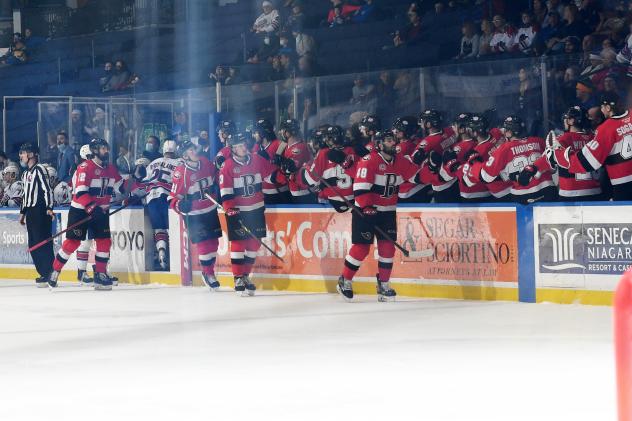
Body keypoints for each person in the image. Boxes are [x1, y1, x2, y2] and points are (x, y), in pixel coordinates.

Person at [337, 131, 421, 302]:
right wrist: (367, 206)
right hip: (365, 211)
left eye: (394, 140)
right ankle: (344, 280)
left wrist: (433, 168)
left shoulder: (401, 161)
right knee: (361, 248)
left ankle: (383, 284)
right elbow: (360, 188)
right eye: (389, 141)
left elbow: (417, 176)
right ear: (380, 145)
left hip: (388, 211)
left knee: (387, 249)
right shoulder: (369, 161)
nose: (394, 143)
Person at [48, 139, 126, 290]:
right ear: (95, 150)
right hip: (80, 211)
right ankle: (55, 270)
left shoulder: (111, 169)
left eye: (106, 148)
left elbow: (122, 187)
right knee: (72, 243)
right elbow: (81, 193)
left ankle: (100, 275)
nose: (106, 151)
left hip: (100, 211)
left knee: (104, 241)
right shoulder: (85, 167)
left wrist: (137, 182)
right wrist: (92, 208)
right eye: (103, 149)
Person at [218, 133, 276, 296]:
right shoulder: (227, 166)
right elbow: (226, 191)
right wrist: (230, 208)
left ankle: (245, 275)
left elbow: (271, 175)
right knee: (238, 243)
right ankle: (237, 277)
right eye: (239, 146)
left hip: (256, 209)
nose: (244, 148)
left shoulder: (257, 159)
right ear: (233, 149)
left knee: (254, 244)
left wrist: (282, 172)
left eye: (244, 144)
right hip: (238, 211)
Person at [546, 93, 632, 200]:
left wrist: (557, 155)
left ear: (608, 108)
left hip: (624, 187)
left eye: (602, 107)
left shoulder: (605, 129)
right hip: (599, 191)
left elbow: (585, 162)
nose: (601, 110)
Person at [466, 115, 556, 204]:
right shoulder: (539, 141)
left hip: (523, 196)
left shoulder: (505, 148)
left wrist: (475, 164)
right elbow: (553, 169)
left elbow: (486, 176)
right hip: (548, 190)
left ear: (509, 133)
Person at [169, 141, 222, 290]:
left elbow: (217, 176)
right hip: (195, 215)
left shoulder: (205, 162)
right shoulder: (181, 173)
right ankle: (208, 273)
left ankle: (208, 272)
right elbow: (172, 198)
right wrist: (179, 205)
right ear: (185, 155)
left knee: (214, 244)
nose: (196, 151)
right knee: (204, 244)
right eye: (191, 150)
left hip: (210, 209)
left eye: (195, 148)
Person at [519, 106, 602, 200]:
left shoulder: (563, 139)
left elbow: (548, 158)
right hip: (596, 193)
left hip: (571, 194)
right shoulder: (594, 138)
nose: (564, 121)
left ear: (571, 121)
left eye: (566, 119)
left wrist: (531, 169)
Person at [18, 143, 54, 288]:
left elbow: (47, 190)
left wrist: (49, 207)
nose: (21, 156)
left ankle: (49, 273)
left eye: (23, 153)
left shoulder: (40, 169)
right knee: (33, 244)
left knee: (42, 242)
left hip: (41, 211)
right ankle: (43, 272)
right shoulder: (25, 173)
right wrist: (22, 213)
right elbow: (25, 195)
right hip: (31, 213)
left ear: (31, 154)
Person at [300, 125, 357, 212]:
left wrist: (305, 170)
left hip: (331, 202)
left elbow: (311, 180)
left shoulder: (324, 153)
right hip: (353, 201)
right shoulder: (353, 150)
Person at [143, 140, 181, 270]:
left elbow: (143, 181)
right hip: (167, 197)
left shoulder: (153, 163)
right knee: (171, 228)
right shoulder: (179, 163)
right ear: (175, 151)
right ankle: (174, 257)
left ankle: (161, 251)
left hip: (151, 198)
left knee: (159, 228)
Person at [251, 118, 290, 204]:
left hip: (280, 193)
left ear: (263, 133)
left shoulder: (280, 145)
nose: (254, 135)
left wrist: (269, 159)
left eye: (256, 133)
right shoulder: (257, 148)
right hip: (264, 193)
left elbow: (286, 169)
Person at [276, 119, 314, 203]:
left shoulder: (298, 148)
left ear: (288, 133)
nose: (280, 133)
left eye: (282, 130)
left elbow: (290, 169)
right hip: (296, 190)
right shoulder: (288, 147)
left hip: (303, 192)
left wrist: (280, 162)